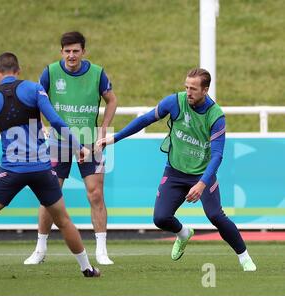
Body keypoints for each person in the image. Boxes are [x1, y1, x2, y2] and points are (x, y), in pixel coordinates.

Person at [95, 68, 256, 271]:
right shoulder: (175, 102)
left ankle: (244, 257)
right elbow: (144, 120)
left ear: (205, 90)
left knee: (215, 215)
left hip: (202, 174)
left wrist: (202, 183)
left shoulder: (216, 116)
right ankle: (183, 233)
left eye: (194, 89)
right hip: (175, 171)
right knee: (160, 218)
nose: (188, 92)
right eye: (186, 87)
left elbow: (217, 155)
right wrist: (113, 138)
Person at [0, 52, 100, 280]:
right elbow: (55, 121)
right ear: (19, 70)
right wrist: (78, 147)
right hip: (42, 169)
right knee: (63, 221)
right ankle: (87, 269)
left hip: (11, 170)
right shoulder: (34, 89)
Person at [24, 31, 118, 266]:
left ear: (83, 52)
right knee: (49, 196)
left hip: (89, 140)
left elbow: (112, 100)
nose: (71, 55)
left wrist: (104, 127)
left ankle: (101, 251)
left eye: (76, 50)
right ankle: (40, 249)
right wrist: (42, 126)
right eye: (67, 51)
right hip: (58, 142)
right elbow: (35, 99)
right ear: (61, 52)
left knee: (96, 194)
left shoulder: (97, 73)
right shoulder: (50, 72)